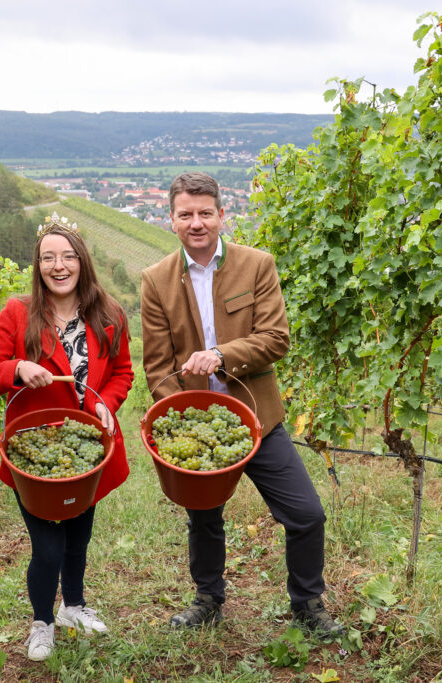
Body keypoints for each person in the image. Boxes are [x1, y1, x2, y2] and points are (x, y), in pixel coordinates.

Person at [140, 172, 343, 640]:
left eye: (205, 213)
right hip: (198, 424)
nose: (196, 223)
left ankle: (308, 604)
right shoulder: (155, 281)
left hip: (257, 417)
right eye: (186, 214)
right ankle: (208, 599)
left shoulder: (257, 265)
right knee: (204, 517)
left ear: (221, 216)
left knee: (306, 514)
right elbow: (157, 368)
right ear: (171, 219)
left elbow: (276, 338)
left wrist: (222, 354)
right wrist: (184, 429)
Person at [0, 214, 133, 661]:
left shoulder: (109, 314)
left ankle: (73, 607)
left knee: (79, 537)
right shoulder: (18, 313)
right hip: (35, 454)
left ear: (82, 261)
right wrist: (16, 368)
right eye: (47, 258)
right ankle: (42, 621)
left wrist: (106, 404)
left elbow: (122, 373)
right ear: (37, 265)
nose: (58, 266)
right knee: (48, 546)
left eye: (67, 256)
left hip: (86, 451)